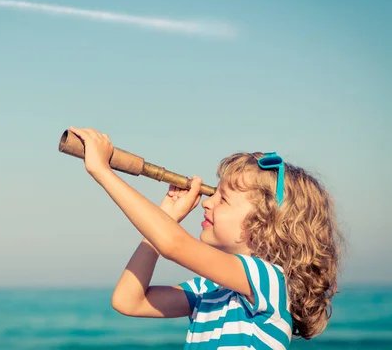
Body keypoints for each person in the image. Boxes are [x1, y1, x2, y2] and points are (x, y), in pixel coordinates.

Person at [68, 127, 344, 349]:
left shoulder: (270, 281)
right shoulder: (209, 290)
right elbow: (128, 300)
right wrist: (166, 217)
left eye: (223, 199)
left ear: (266, 224)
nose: (206, 203)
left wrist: (103, 172)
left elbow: (174, 244)